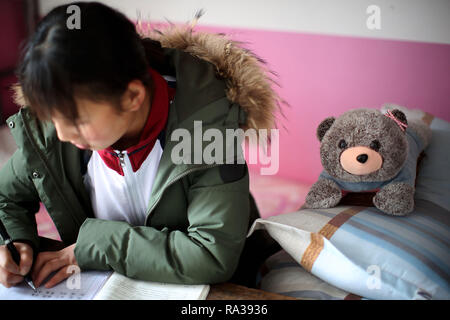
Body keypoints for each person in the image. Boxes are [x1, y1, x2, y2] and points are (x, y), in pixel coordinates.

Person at [0, 2, 282, 289]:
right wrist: (15, 240)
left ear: (132, 96)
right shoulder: (59, 136)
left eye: (77, 120)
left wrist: (96, 246)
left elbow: (211, 255)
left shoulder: (208, 133)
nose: (60, 134)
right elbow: (5, 197)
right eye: (51, 117)